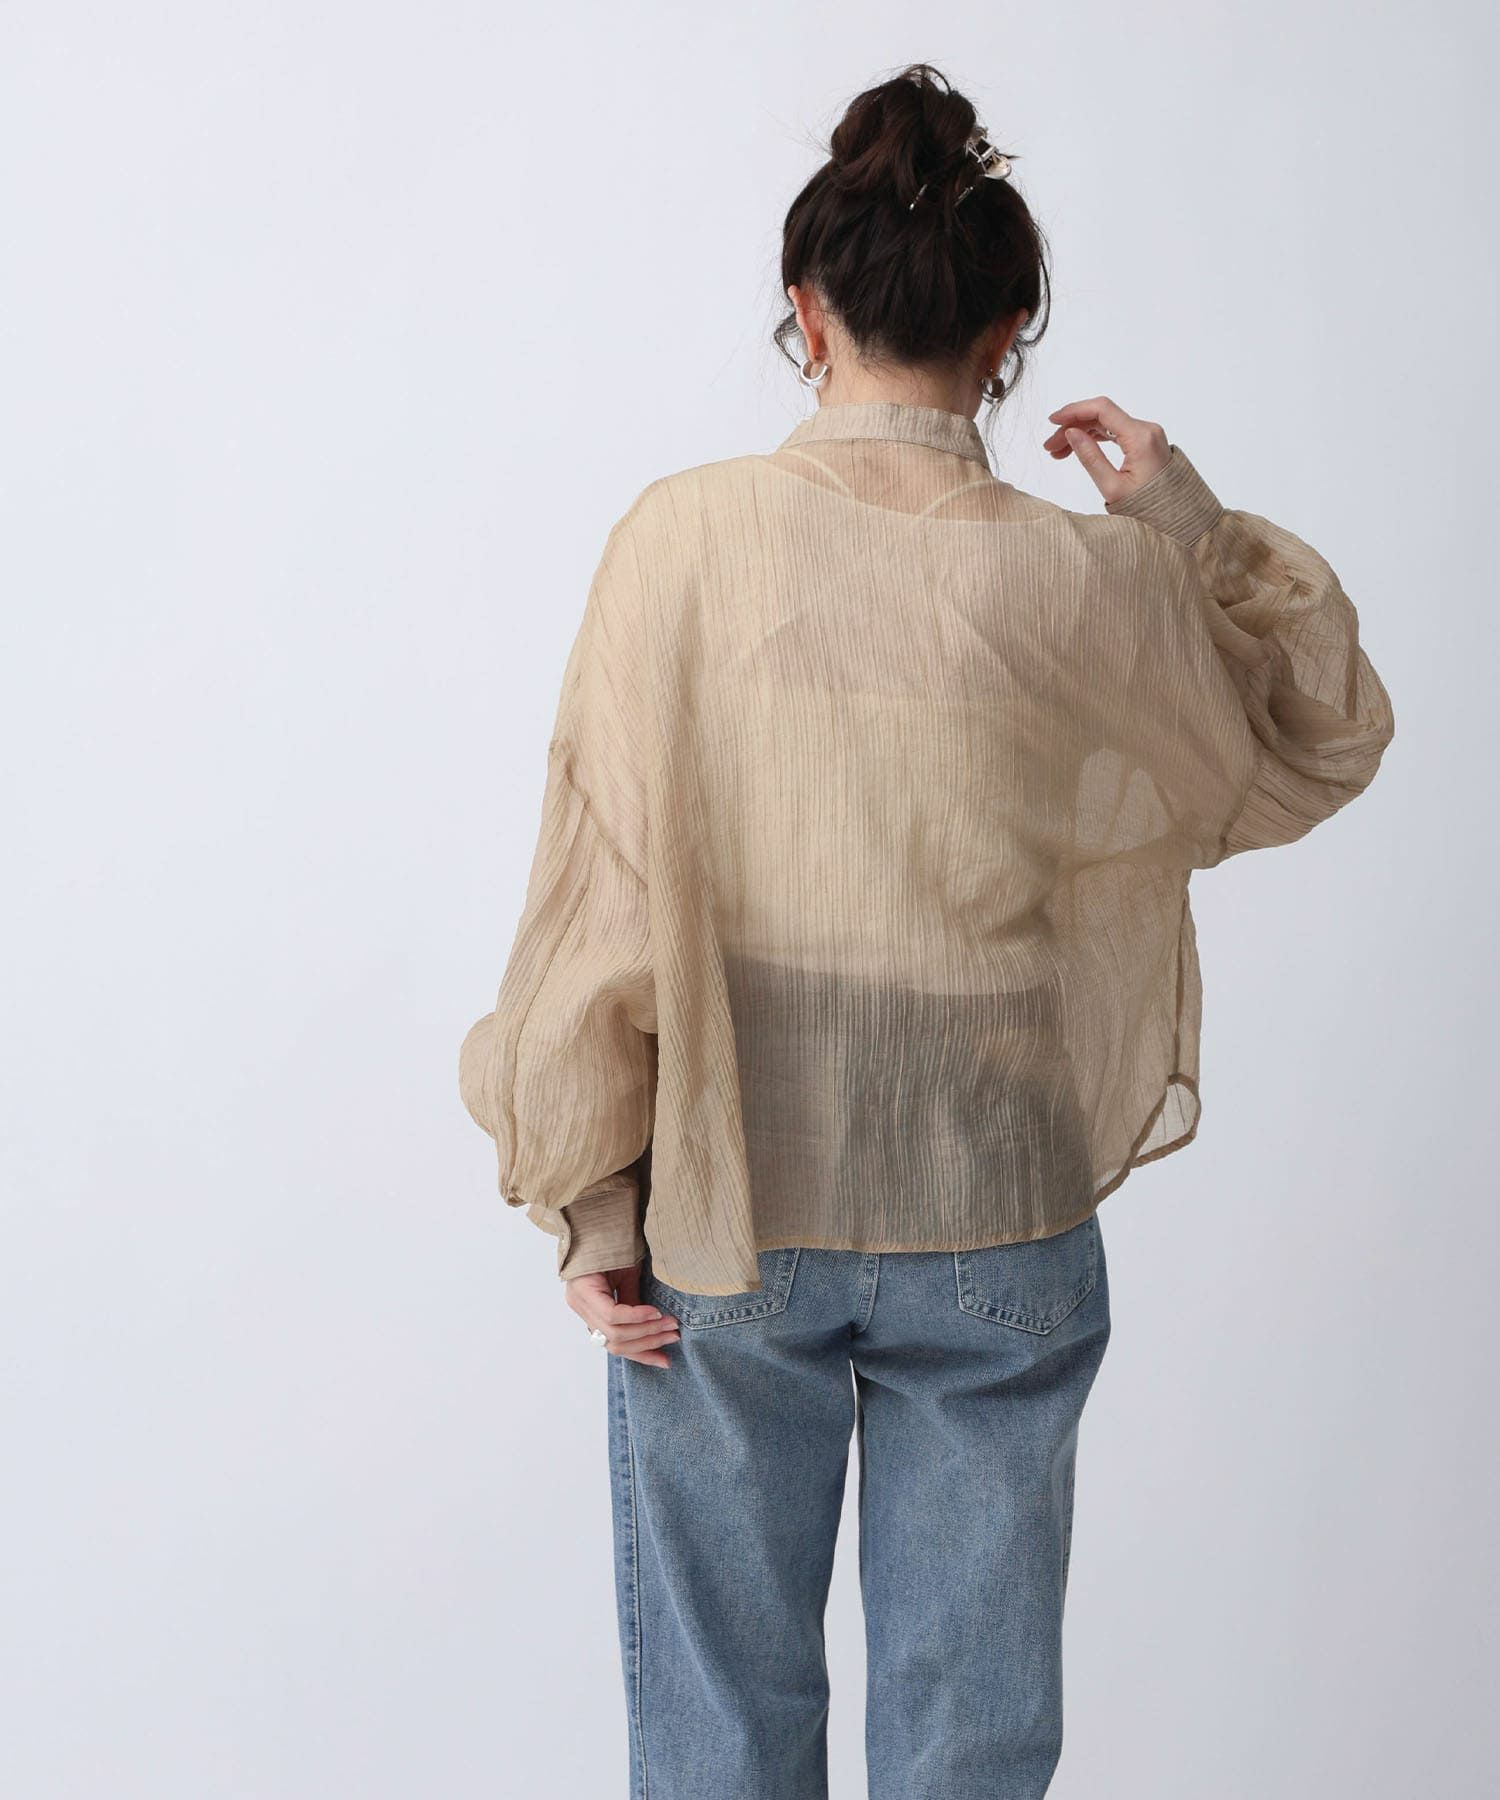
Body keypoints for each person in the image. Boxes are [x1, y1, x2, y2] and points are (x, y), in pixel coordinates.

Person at [457, 60, 1395, 1800]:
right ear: (1010, 332)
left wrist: (592, 1202)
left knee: (719, 1736)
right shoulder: (1091, 580)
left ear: (804, 312)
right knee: (971, 1747)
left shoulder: (682, 543)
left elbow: (602, 896)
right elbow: (1318, 735)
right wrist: (1180, 520)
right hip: (997, 1182)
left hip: (729, 1190)